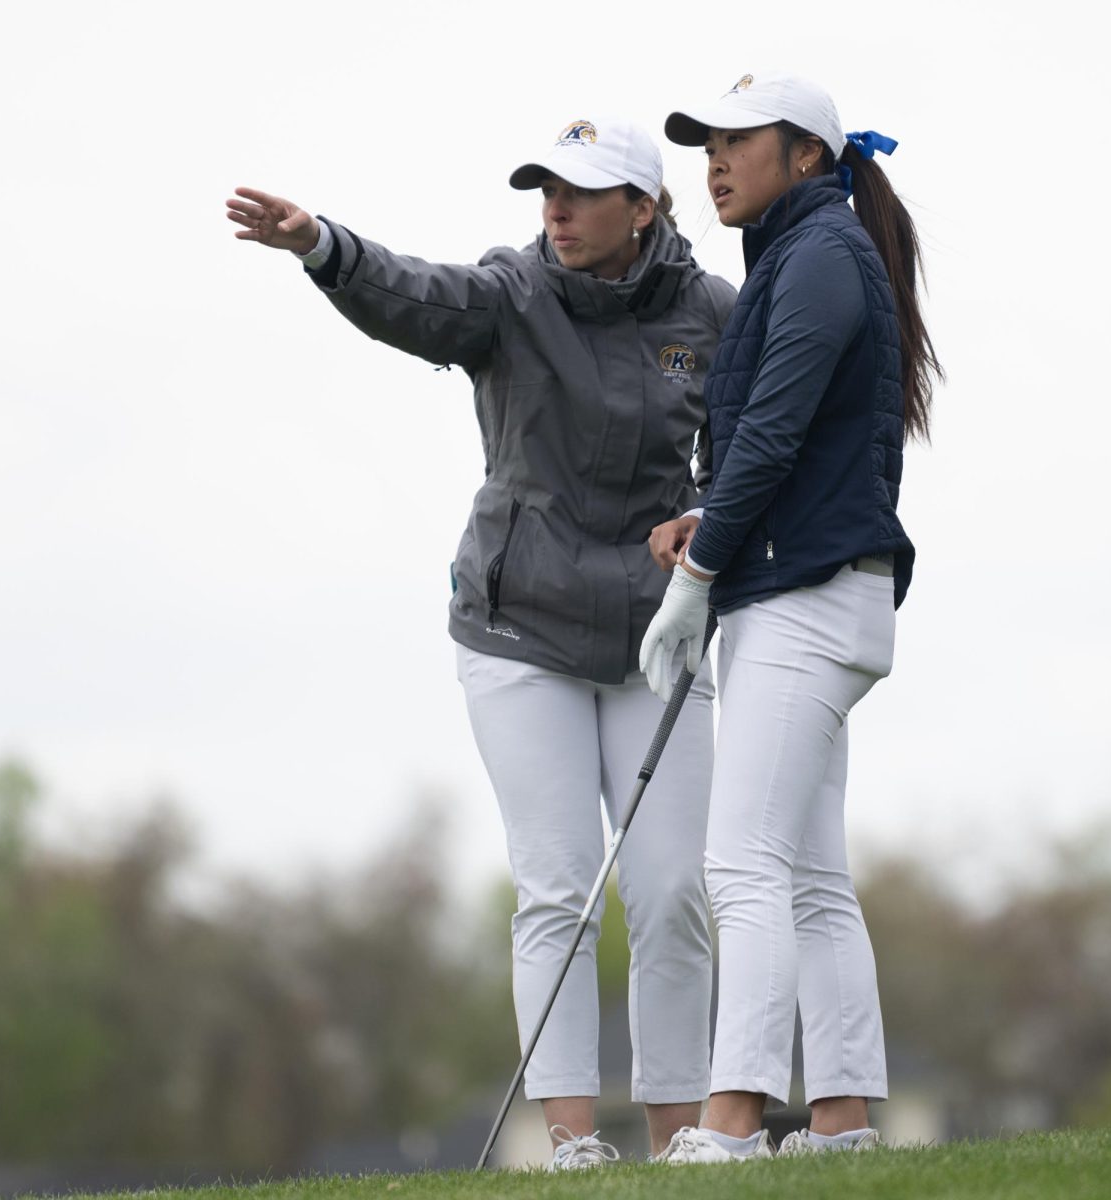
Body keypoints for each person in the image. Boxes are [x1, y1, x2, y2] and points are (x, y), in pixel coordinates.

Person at [226, 115, 737, 1167]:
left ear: (642, 207)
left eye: (583, 193)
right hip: (517, 629)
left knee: (673, 888)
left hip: (657, 631)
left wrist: (714, 523)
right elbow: (416, 296)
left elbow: (747, 455)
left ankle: (682, 1141)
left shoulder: (713, 314)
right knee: (556, 885)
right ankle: (571, 1144)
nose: (556, 209)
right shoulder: (512, 289)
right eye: (545, 189)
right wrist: (323, 245)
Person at [638, 73, 942, 1163]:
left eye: (738, 141)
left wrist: (697, 572)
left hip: (805, 602)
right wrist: (706, 522)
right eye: (705, 144)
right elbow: (783, 452)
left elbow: (769, 437)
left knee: (744, 864)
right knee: (808, 873)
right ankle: (843, 1117)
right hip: (816, 589)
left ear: (806, 155)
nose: (714, 161)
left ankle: (727, 1123)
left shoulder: (815, 257)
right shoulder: (804, 254)